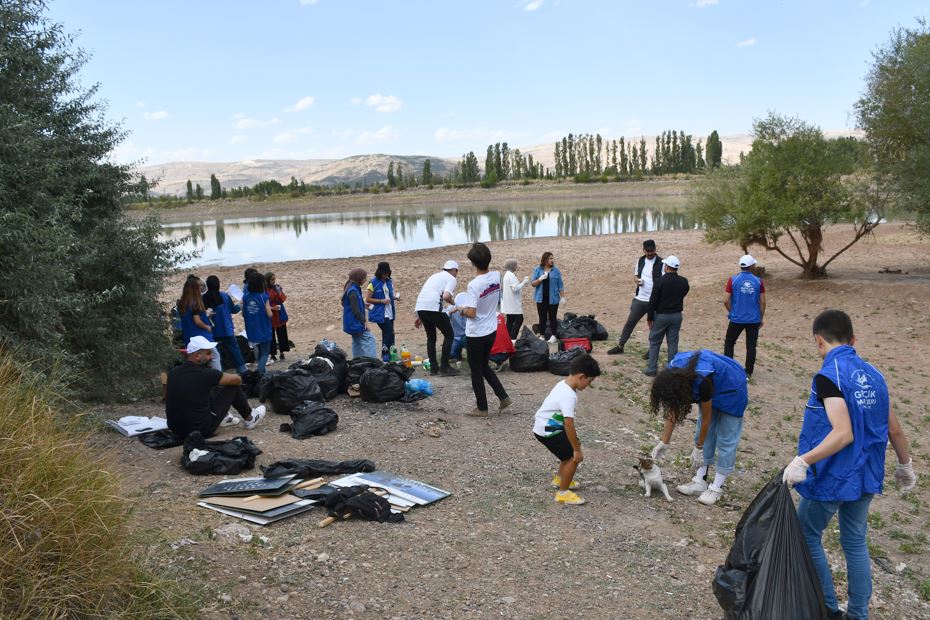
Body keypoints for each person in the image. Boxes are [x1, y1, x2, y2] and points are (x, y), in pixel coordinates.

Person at [782, 310, 916, 620]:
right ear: (853, 340)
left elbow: (843, 434)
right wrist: (905, 464)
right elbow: (894, 428)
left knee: (806, 533)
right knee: (855, 541)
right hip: (867, 473)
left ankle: (828, 607)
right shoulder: (874, 374)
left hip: (834, 475)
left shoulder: (829, 376)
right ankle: (858, 615)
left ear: (819, 341)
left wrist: (802, 461)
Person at [649, 349, 749, 506]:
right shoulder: (671, 374)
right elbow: (673, 408)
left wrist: (699, 448)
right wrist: (664, 442)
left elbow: (707, 419)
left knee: (726, 438)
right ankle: (700, 482)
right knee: (703, 433)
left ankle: (717, 487)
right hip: (712, 385)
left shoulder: (702, 380)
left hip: (731, 388)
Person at [532, 353, 601, 505]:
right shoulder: (569, 395)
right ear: (581, 376)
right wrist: (577, 449)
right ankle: (562, 493)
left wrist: (575, 443)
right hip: (547, 430)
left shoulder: (563, 384)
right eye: (589, 381)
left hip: (544, 425)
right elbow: (568, 424)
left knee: (569, 451)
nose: (588, 385)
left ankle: (560, 479)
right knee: (572, 457)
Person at [165, 336, 265, 439]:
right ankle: (250, 418)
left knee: (210, 386)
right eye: (208, 353)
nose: (212, 357)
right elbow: (237, 380)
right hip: (201, 429)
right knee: (232, 387)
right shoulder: (206, 374)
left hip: (175, 429)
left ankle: (224, 417)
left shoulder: (173, 372)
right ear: (197, 356)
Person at [460, 243, 511, 417]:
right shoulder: (496, 276)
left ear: (473, 263)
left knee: (476, 370)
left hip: (476, 333)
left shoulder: (474, 285)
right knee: (483, 366)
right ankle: (503, 397)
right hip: (491, 329)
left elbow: (472, 312)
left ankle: (482, 408)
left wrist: (460, 309)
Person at [609, 239, 662, 355]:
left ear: (655, 249)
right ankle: (620, 346)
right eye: (647, 251)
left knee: (653, 327)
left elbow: (664, 281)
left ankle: (651, 351)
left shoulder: (662, 262)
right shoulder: (641, 260)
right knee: (630, 322)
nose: (650, 253)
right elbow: (636, 275)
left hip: (654, 301)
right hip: (640, 298)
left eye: (652, 250)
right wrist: (637, 280)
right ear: (643, 250)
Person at [644, 255, 689, 377]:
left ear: (667, 266)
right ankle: (672, 369)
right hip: (676, 315)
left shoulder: (659, 281)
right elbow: (685, 292)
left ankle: (652, 369)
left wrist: (649, 317)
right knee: (673, 342)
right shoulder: (684, 281)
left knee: (655, 342)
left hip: (661, 315)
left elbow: (652, 301)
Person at [414, 260, 461, 376]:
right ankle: (444, 366)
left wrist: (419, 315)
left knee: (431, 337)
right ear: (455, 270)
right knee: (449, 334)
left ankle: (434, 368)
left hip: (420, 306)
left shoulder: (435, 275)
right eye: (456, 272)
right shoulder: (451, 278)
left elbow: (426, 293)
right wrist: (454, 303)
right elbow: (446, 296)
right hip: (433, 307)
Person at [723, 255, 766, 379]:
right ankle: (748, 372)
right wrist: (760, 317)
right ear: (751, 266)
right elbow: (763, 302)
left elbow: (725, 300)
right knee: (751, 345)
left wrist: (732, 312)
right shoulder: (758, 281)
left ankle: (728, 368)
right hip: (753, 319)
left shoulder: (733, 280)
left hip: (736, 318)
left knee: (730, 342)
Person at [202, 275, 247, 375]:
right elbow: (233, 310)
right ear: (218, 284)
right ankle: (243, 372)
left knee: (216, 356)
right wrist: (241, 304)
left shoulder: (204, 298)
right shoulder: (224, 296)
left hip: (212, 331)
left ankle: (219, 374)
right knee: (235, 352)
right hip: (226, 329)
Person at [177, 277, 222, 371]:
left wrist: (205, 316)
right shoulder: (195, 302)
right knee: (214, 357)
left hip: (189, 335)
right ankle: (218, 377)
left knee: (196, 360)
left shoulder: (182, 303)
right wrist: (207, 327)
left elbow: (189, 318)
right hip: (201, 335)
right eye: (199, 286)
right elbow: (197, 321)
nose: (201, 288)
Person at [342, 268, 379, 359]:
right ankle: (373, 363)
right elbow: (355, 310)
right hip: (355, 322)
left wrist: (363, 305)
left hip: (351, 322)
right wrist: (364, 322)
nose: (365, 280)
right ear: (359, 279)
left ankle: (357, 362)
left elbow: (352, 305)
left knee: (357, 341)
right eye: (364, 278)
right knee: (370, 340)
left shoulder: (352, 288)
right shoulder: (353, 291)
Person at [366, 261, 398, 362]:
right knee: (388, 333)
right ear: (379, 272)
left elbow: (389, 294)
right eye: (384, 274)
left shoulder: (389, 281)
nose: (386, 275)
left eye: (387, 273)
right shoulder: (373, 283)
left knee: (390, 333)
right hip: (380, 314)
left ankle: (391, 355)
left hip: (390, 312)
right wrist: (381, 301)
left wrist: (394, 297)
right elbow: (368, 299)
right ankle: (385, 356)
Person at [242, 271, 274, 374]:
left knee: (260, 352)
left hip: (251, 329)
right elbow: (269, 314)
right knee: (265, 353)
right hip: (263, 328)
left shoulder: (246, 297)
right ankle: (259, 373)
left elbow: (243, 313)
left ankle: (262, 373)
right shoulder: (263, 297)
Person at [531, 251, 565, 343]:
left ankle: (554, 336)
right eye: (550, 258)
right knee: (542, 318)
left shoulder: (556, 270)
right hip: (540, 298)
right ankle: (542, 336)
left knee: (553, 317)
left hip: (553, 298)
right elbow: (533, 283)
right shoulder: (537, 270)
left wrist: (562, 297)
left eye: (552, 258)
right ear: (545, 260)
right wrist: (540, 279)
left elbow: (560, 285)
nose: (552, 260)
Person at [501, 258, 530, 340]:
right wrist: (524, 282)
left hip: (509, 303)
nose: (517, 267)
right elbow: (515, 289)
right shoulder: (511, 276)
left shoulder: (506, 275)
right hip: (514, 304)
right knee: (519, 319)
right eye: (516, 265)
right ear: (512, 266)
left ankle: (507, 338)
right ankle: (512, 339)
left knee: (510, 321)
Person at [265, 272, 290, 364]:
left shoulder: (277, 288)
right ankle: (272, 354)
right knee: (271, 335)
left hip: (279, 314)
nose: (274, 281)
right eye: (272, 279)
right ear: (267, 280)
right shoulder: (264, 290)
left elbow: (283, 299)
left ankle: (282, 352)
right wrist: (272, 308)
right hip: (270, 314)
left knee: (282, 333)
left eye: (274, 279)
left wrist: (279, 291)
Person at [448, 292, 468, 363]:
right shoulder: (451, 308)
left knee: (474, 354)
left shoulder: (471, 310)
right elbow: (443, 318)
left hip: (468, 336)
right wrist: (451, 312)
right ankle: (457, 354)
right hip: (456, 337)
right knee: (451, 355)